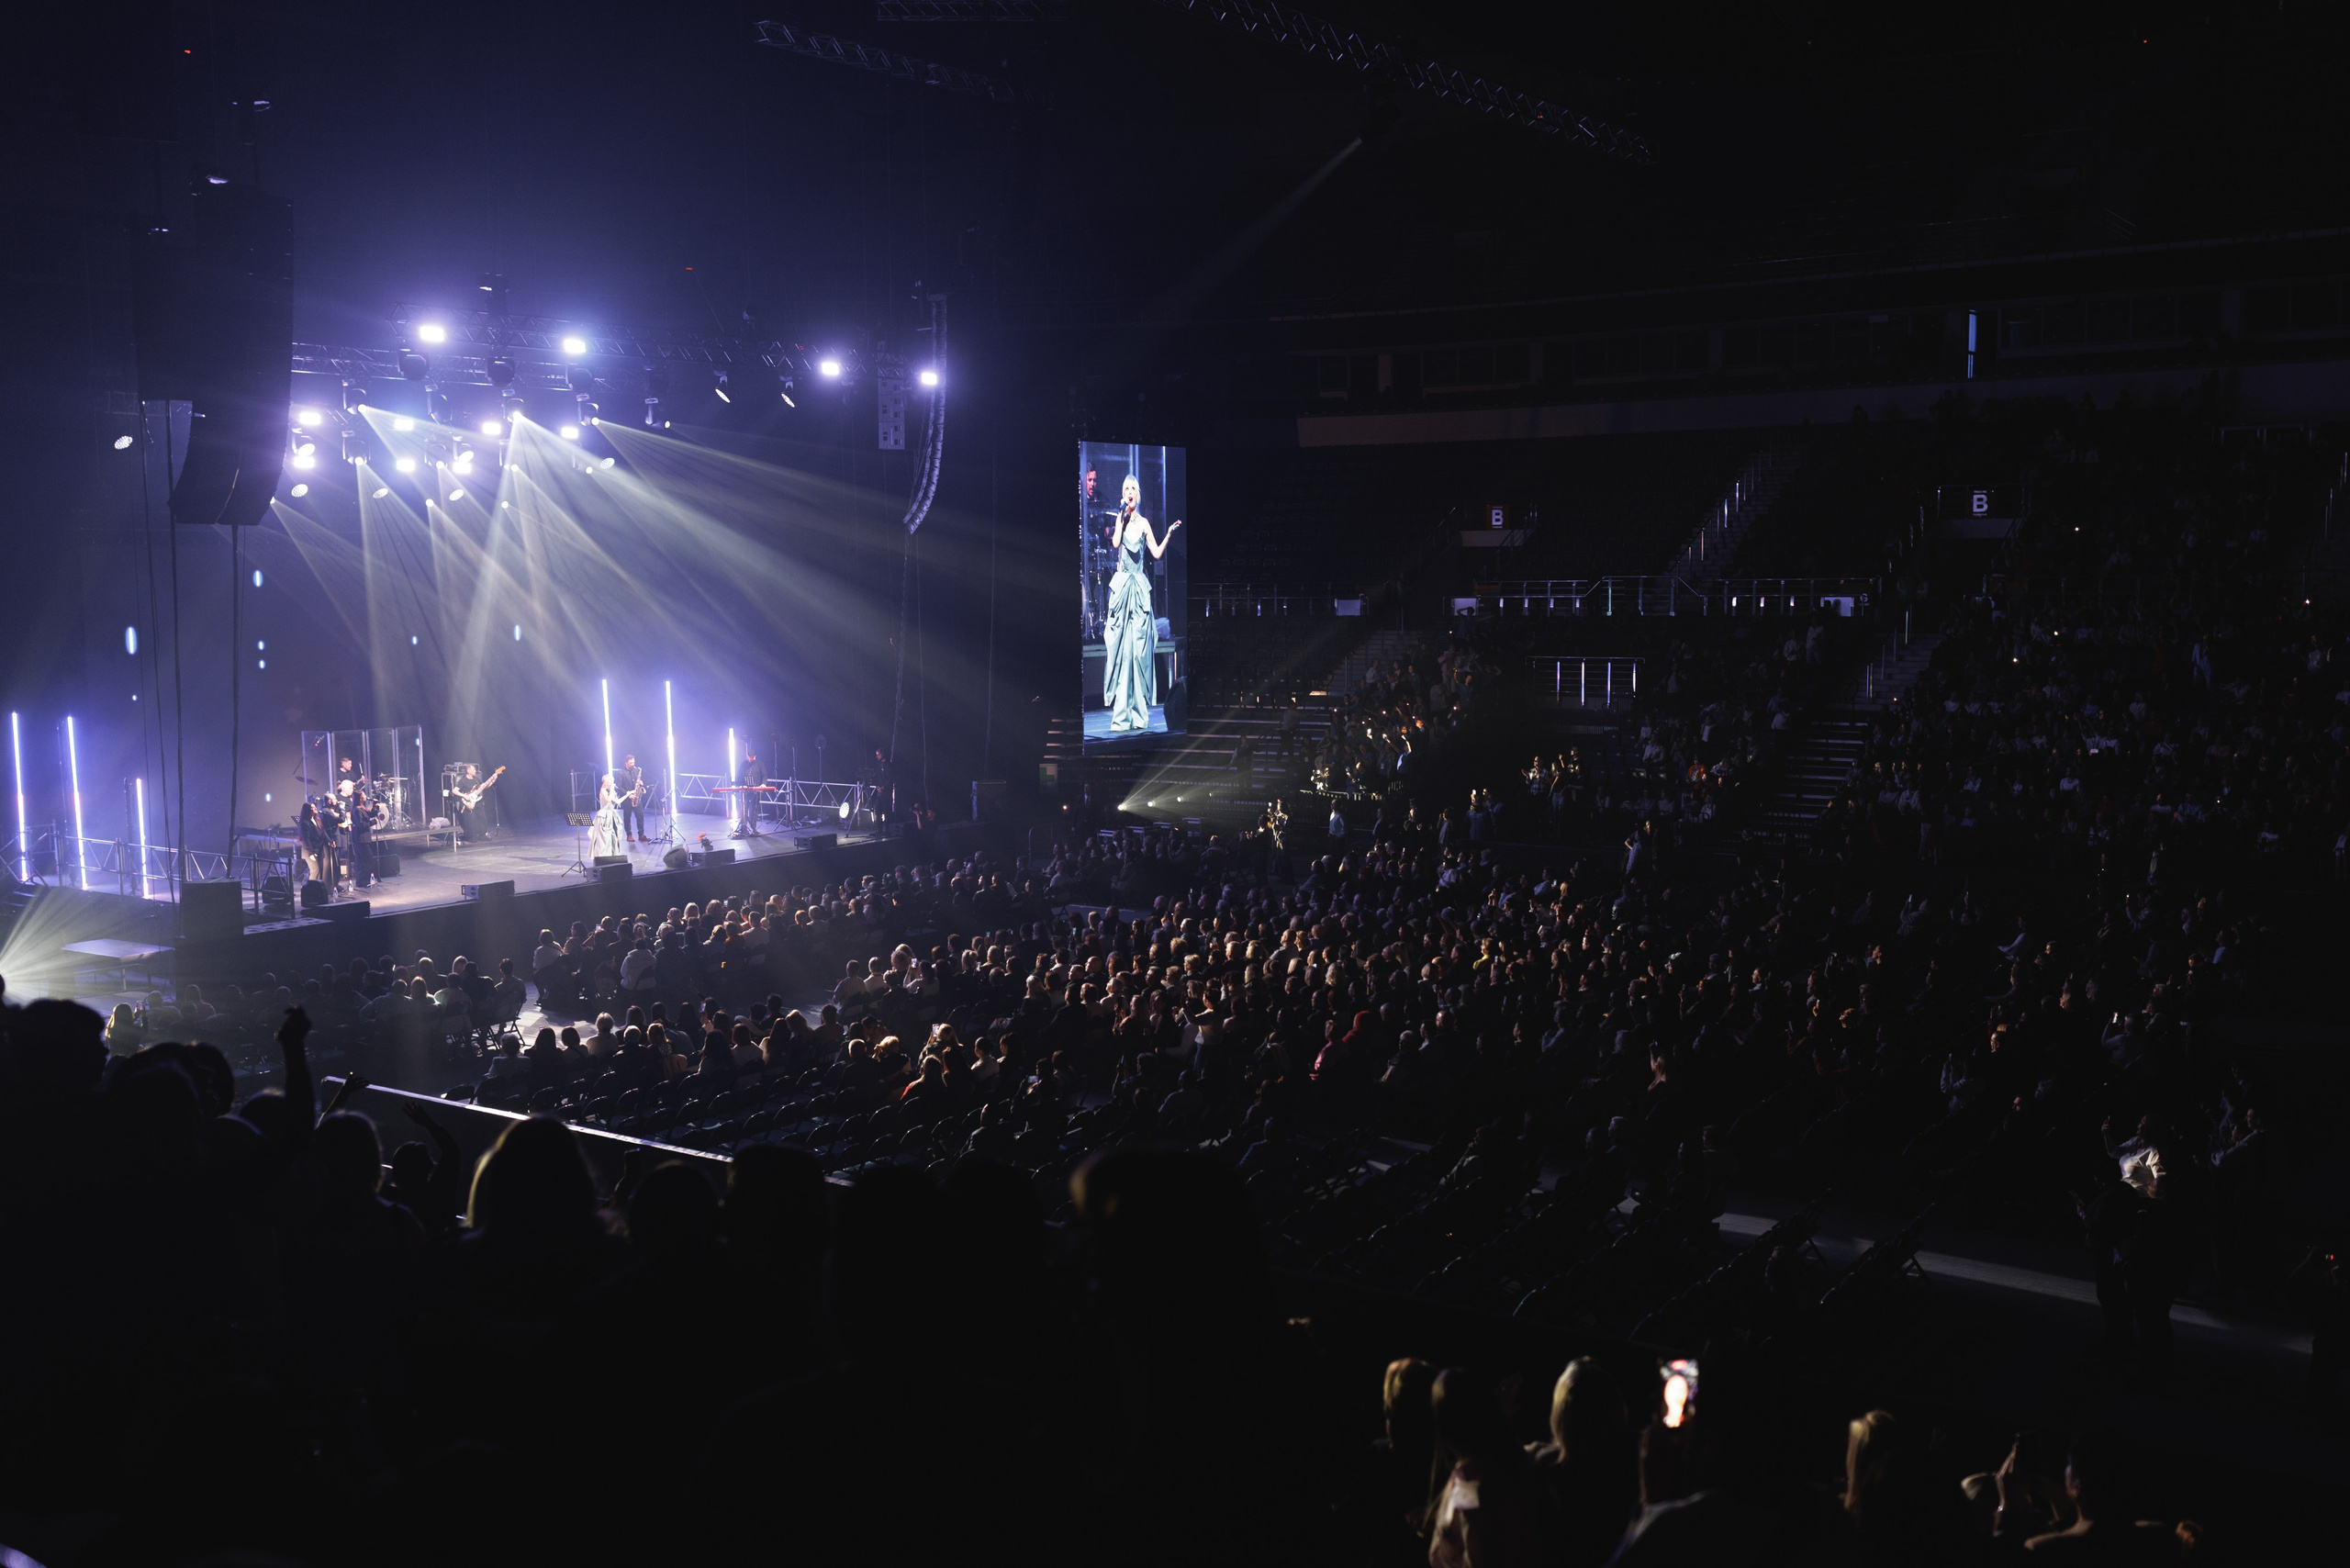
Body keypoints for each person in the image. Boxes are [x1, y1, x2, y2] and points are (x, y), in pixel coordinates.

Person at [1102, 472, 1180, 734]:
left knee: (1138, 653)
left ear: (1138, 493)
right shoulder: (1121, 518)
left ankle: (1139, 715)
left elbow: (1156, 553)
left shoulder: (1145, 523)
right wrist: (1121, 521)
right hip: (1123, 588)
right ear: (1123, 495)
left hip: (1139, 589)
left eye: (1133, 488)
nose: (1129, 491)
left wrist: (1168, 534)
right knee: (1123, 653)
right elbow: (1115, 544)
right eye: (1126, 488)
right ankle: (1121, 716)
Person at [589, 771, 627, 859]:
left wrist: (627, 794)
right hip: (604, 816)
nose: (612, 782)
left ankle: (612, 856)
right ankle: (602, 858)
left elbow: (617, 802)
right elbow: (608, 800)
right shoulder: (603, 791)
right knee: (603, 839)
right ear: (605, 782)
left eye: (612, 781)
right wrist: (612, 790)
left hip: (612, 815)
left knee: (614, 836)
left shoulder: (610, 791)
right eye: (610, 781)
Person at [616, 752, 647, 843]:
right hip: (627, 799)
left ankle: (641, 834)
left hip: (636, 797)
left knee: (640, 816)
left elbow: (637, 782)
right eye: (631, 763)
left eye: (633, 762)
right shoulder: (621, 773)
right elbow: (618, 786)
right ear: (626, 763)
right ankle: (629, 835)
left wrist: (641, 783)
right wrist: (629, 795)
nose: (633, 765)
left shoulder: (636, 770)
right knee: (627, 817)